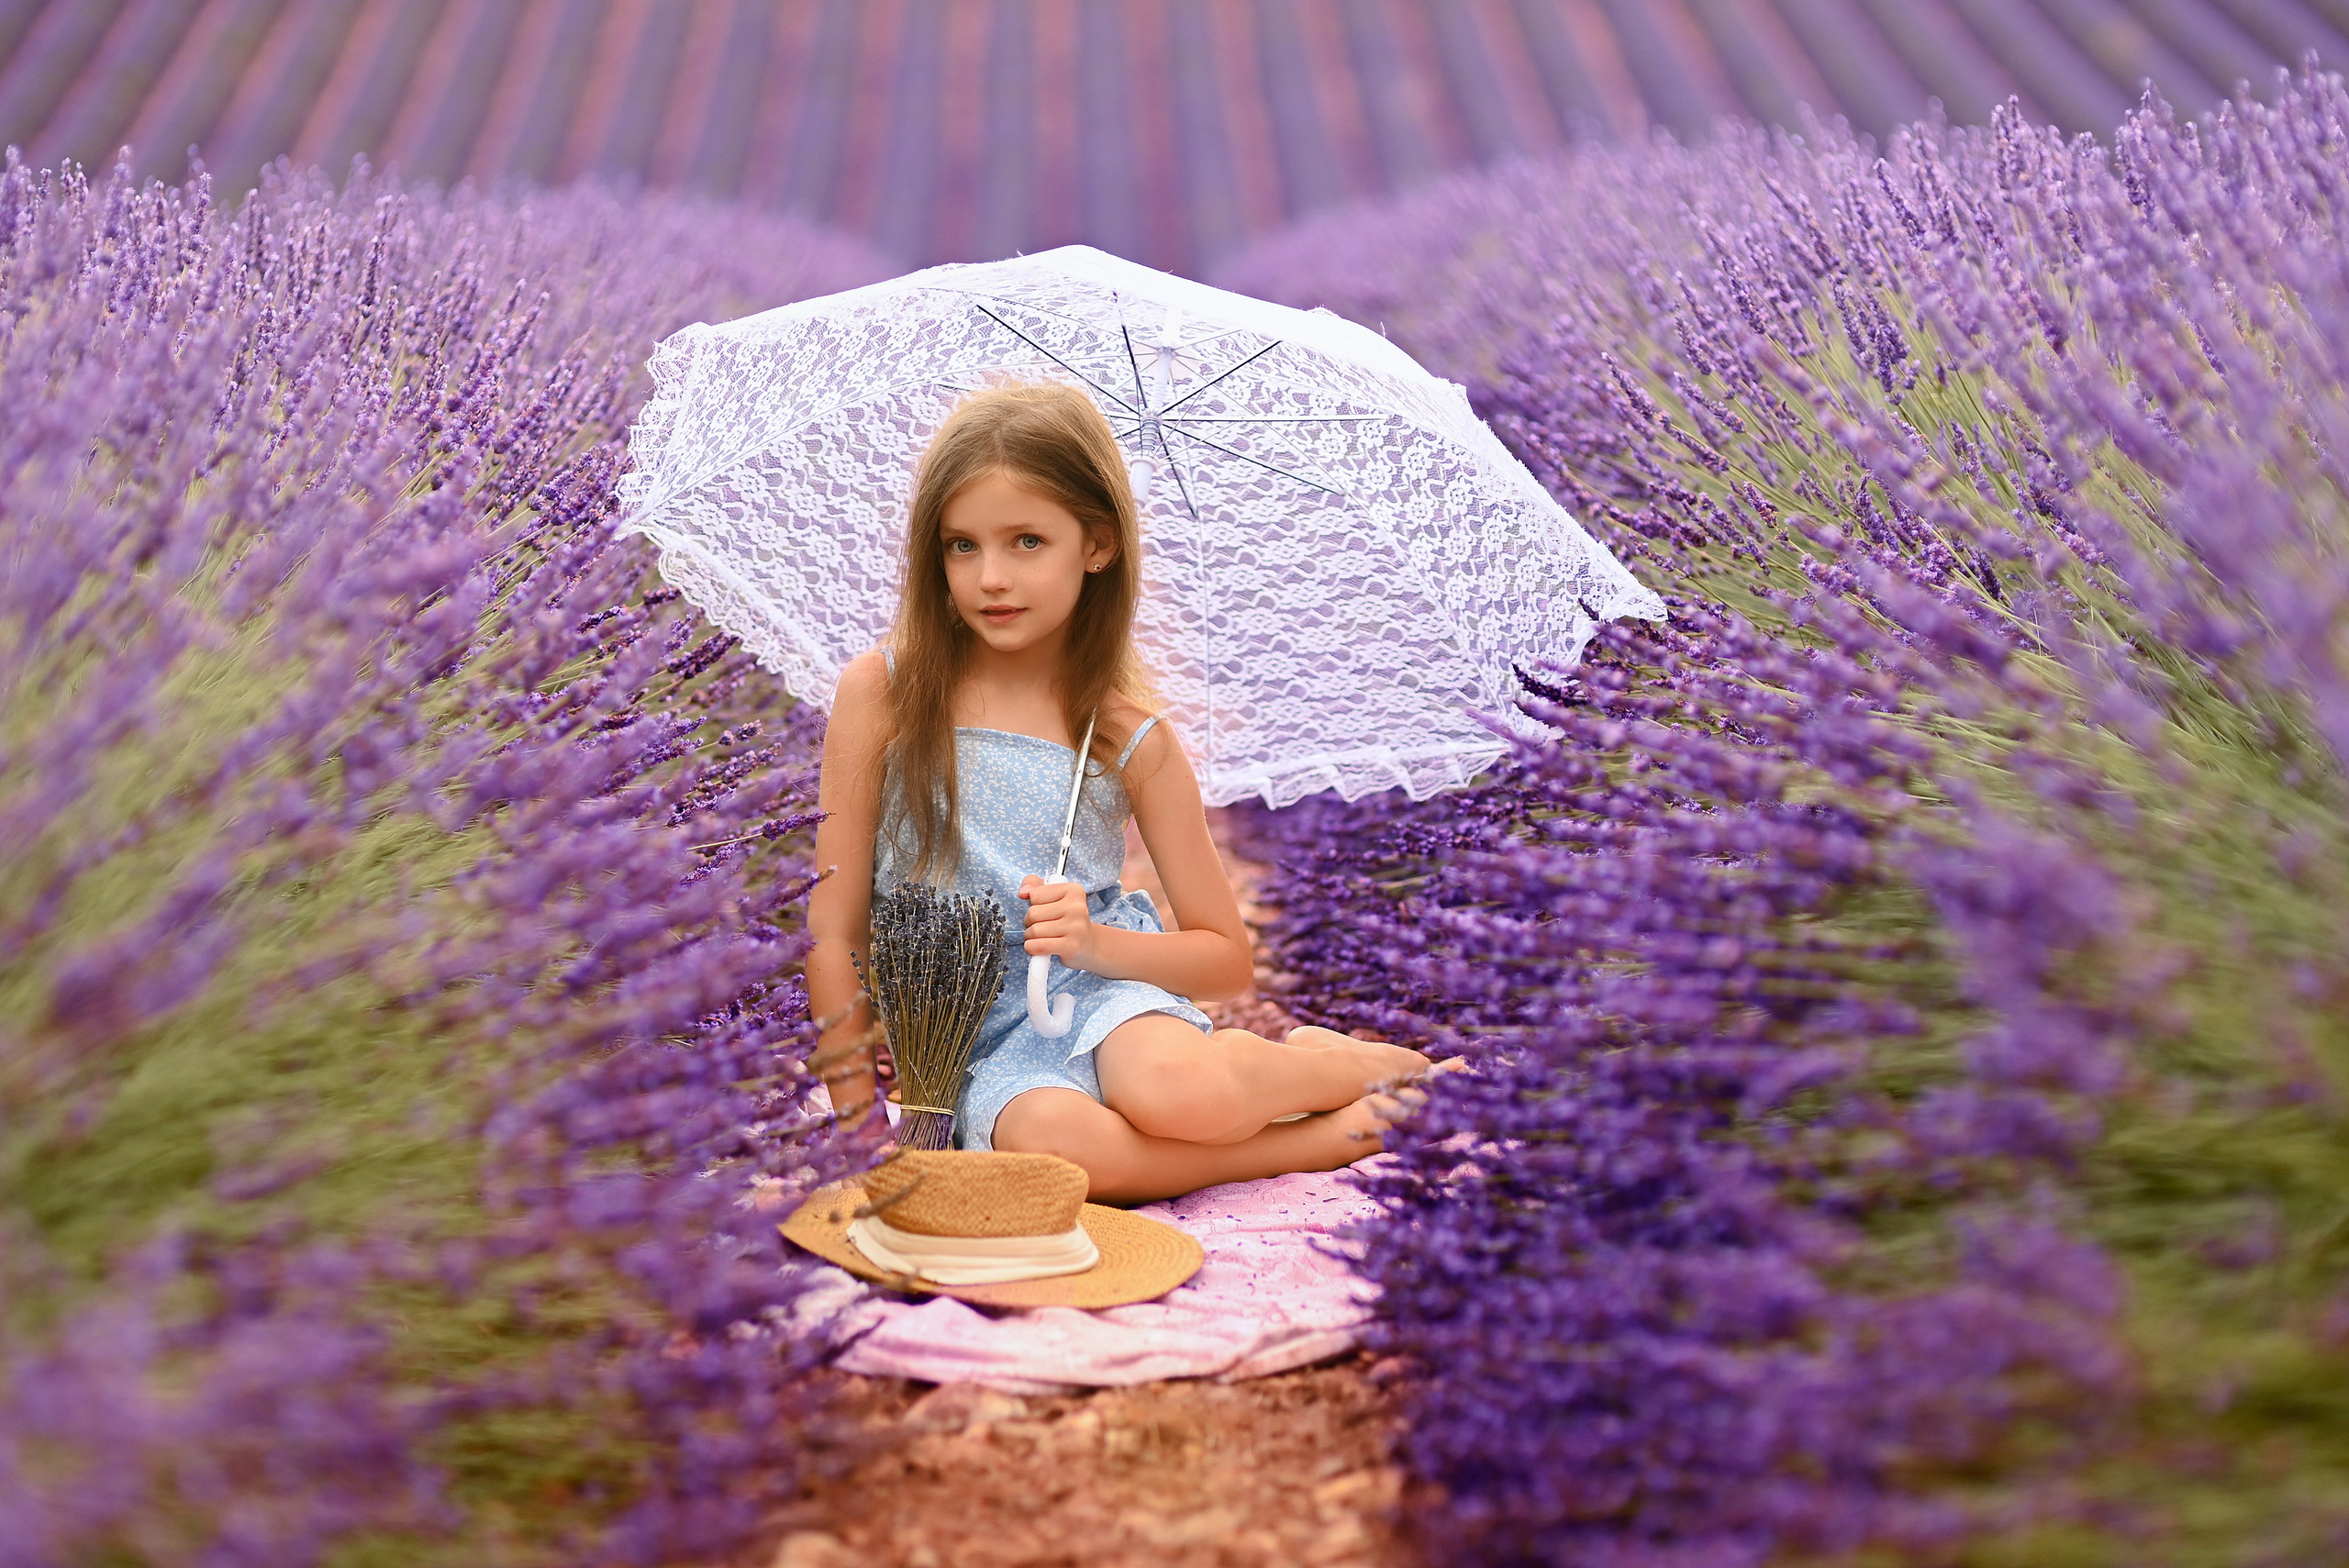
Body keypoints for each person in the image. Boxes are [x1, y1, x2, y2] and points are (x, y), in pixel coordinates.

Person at [805, 381, 1442, 1205]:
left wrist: (1095, 946)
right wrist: (861, 1134)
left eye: (1027, 541)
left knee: (1183, 1095)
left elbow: (1224, 957)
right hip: (961, 1040)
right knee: (1062, 1155)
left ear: (1096, 546)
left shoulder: (1127, 739)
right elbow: (834, 930)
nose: (991, 577)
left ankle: (1339, 1067)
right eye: (962, 545)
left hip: (1102, 997)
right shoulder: (884, 693)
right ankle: (1330, 1135)